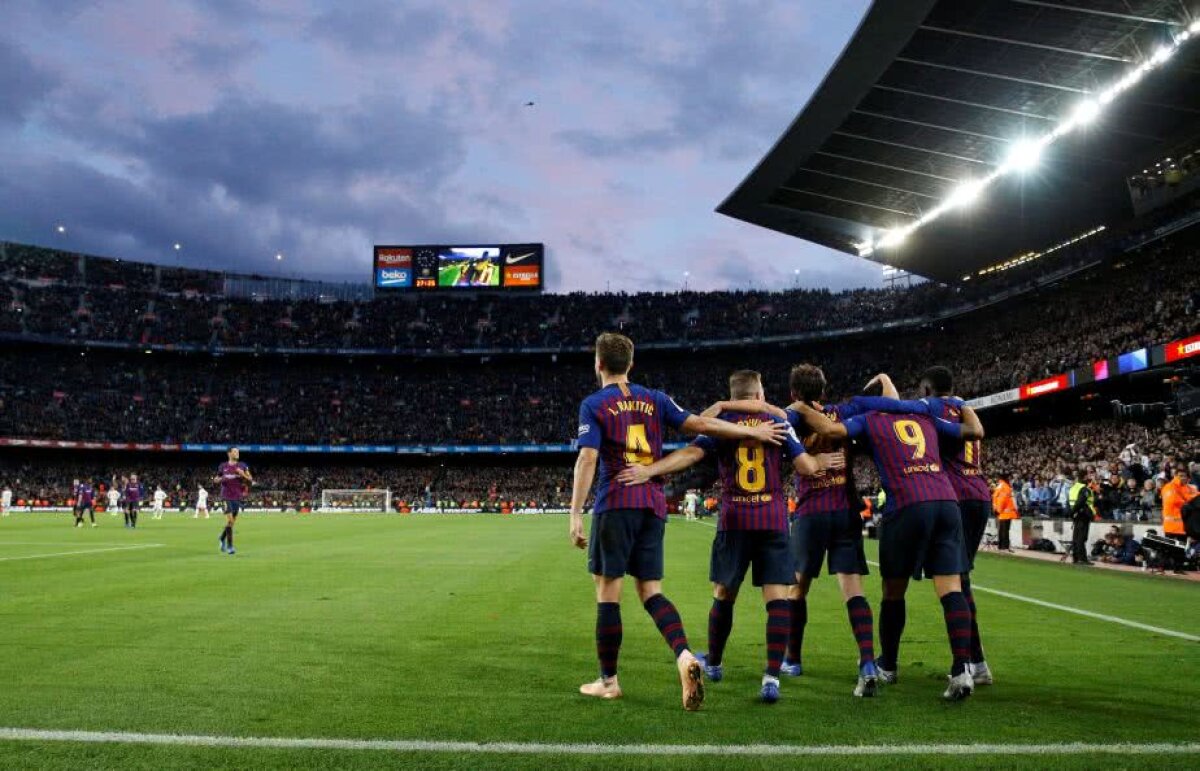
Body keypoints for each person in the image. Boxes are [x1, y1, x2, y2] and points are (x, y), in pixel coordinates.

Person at [569, 333, 789, 711]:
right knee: (651, 591)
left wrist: (574, 513)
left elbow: (588, 458)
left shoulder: (594, 404)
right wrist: (752, 430)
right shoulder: (655, 399)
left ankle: (608, 681)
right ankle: (685, 655)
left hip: (617, 499)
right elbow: (703, 425)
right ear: (631, 364)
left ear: (599, 364)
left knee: (608, 592)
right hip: (653, 504)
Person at [617, 369, 821, 704]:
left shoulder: (722, 421)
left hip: (735, 519)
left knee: (724, 594)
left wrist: (650, 470)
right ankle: (771, 677)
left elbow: (690, 455)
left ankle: (714, 662)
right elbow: (805, 467)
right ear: (759, 394)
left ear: (734, 393)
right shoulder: (779, 423)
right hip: (772, 518)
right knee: (778, 598)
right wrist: (820, 459)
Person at [799, 399, 985, 701]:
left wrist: (801, 407)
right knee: (952, 589)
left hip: (908, 504)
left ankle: (888, 664)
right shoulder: (924, 416)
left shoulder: (870, 418)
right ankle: (962, 669)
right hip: (947, 503)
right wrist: (964, 405)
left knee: (893, 591)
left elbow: (829, 427)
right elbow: (974, 431)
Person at [849, 365, 996, 687]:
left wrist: (885, 381)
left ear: (927, 391)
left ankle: (966, 663)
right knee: (959, 581)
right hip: (977, 494)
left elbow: (893, 406)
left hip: (945, 493)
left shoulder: (929, 409)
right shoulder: (960, 407)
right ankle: (974, 664)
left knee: (945, 583)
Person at [782, 364, 882, 698]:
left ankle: (792, 659)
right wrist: (882, 379)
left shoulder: (791, 417)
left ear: (795, 393)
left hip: (811, 513)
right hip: (845, 511)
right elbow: (890, 401)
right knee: (854, 590)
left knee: (797, 590)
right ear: (824, 391)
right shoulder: (843, 411)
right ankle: (867, 662)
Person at [216, 448, 253, 555]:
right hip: (225, 496)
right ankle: (230, 547)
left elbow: (250, 479)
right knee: (230, 521)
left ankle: (222, 538)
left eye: (238, 452)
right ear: (229, 453)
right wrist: (221, 478)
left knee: (231, 523)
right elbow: (216, 479)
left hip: (237, 497)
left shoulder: (242, 465)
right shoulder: (223, 466)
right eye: (235, 452)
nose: (237, 453)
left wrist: (243, 474)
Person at [1160, 467, 1198, 546]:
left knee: (1182, 552)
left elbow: (1197, 498)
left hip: (1184, 528)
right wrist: (1191, 502)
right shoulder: (1169, 487)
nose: (1183, 478)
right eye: (1180, 475)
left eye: (1185, 476)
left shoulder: (1189, 488)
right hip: (1172, 528)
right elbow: (1173, 501)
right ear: (1175, 476)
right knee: (1171, 551)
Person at [1067, 470, 1095, 564]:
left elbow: (1069, 502)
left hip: (1076, 515)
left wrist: (1071, 513)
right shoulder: (1084, 489)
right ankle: (1082, 559)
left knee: (1076, 537)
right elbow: (1080, 502)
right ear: (1084, 477)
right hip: (1083, 515)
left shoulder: (1072, 488)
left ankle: (1075, 558)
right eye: (1088, 475)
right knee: (1081, 538)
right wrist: (1074, 512)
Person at [993, 475, 1019, 552]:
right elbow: (1002, 499)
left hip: (1002, 512)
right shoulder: (1005, 487)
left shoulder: (999, 486)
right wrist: (999, 510)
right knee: (1005, 530)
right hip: (1005, 512)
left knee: (1002, 530)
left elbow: (995, 497)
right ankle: (1005, 547)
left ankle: (1001, 547)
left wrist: (996, 509)